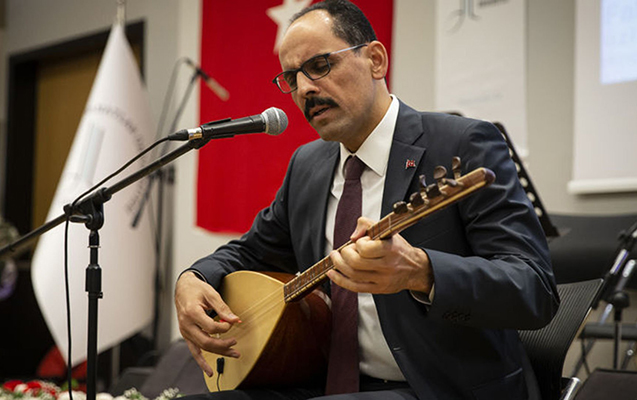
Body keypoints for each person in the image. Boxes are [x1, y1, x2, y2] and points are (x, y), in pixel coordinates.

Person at [174, 0, 559, 399]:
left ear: (375, 60)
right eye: (291, 77)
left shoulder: (463, 144)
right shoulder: (307, 165)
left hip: (440, 387)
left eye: (320, 65)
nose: (304, 89)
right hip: (321, 383)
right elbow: (250, 253)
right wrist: (192, 279)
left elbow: (534, 290)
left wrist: (422, 272)